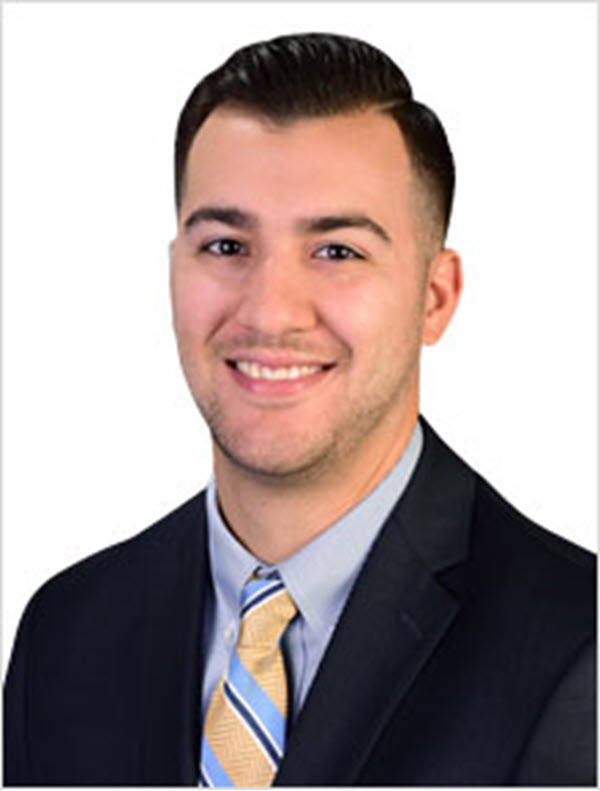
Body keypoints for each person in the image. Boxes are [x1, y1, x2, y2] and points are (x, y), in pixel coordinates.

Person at [4, 32, 595, 787]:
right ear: (173, 271)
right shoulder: (65, 633)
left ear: (434, 297)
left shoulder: (577, 650)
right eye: (226, 246)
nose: (270, 311)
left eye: (337, 251)